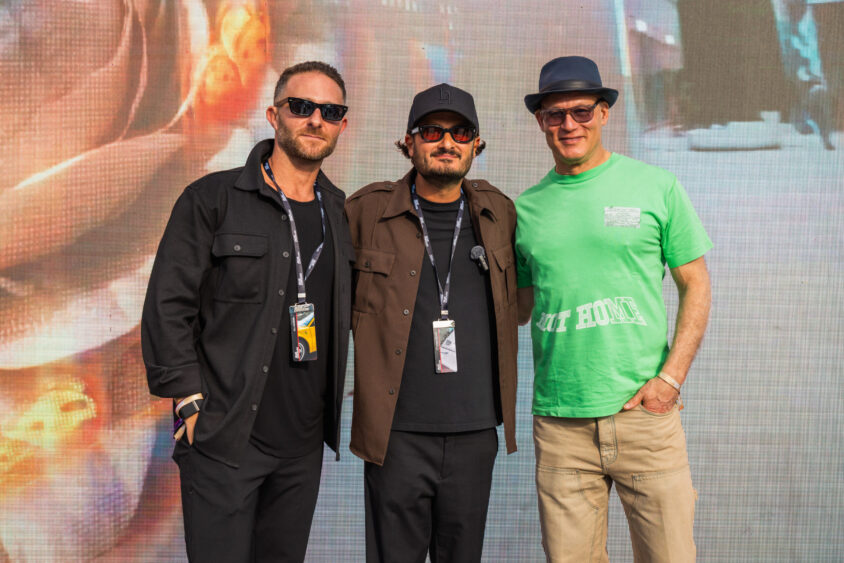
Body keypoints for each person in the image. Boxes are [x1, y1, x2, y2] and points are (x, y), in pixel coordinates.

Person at [141, 61, 353, 562]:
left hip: (301, 450)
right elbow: (168, 306)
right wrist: (190, 405)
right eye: (300, 107)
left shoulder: (341, 213)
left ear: (343, 124)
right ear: (273, 115)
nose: (315, 119)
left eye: (330, 110)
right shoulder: (211, 200)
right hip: (224, 440)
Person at [516, 56, 712, 563]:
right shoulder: (524, 210)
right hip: (561, 428)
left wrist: (669, 381)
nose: (568, 125)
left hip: (644, 418)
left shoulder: (656, 186)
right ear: (540, 121)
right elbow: (513, 307)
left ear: (604, 113)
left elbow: (697, 284)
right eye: (555, 114)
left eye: (581, 111)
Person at [345, 83, 518, 563]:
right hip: (396, 438)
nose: (447, 142)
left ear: (476, 144)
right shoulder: (365, 212)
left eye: (461, 132)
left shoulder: (500, 213)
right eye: (432, 131)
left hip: (475, 434)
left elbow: (519, 304)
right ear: (409, 142)